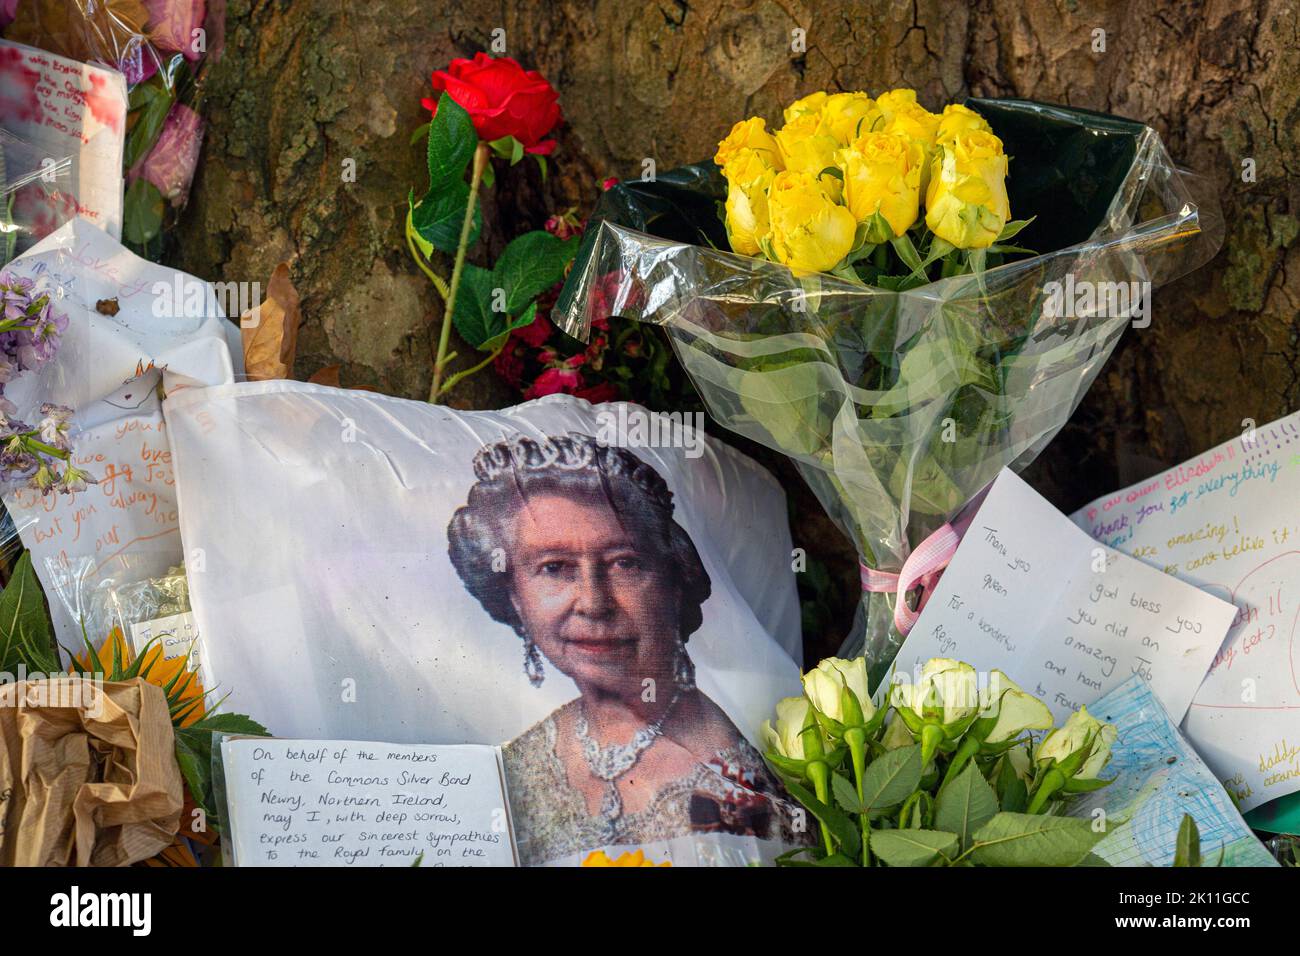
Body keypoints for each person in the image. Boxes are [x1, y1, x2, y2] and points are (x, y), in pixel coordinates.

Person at [448, 432, 795, 864]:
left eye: (624, 563)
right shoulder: (522, 760)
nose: (594, 603)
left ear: (674, 582)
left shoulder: (736, 787)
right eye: (554, 568)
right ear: (515, 597)